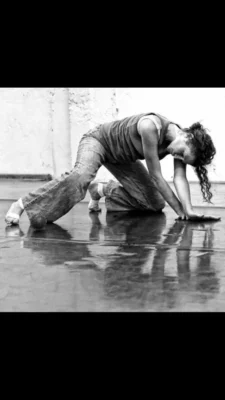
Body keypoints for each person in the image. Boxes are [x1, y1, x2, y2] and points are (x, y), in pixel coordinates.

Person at [5, 112, 221, 226]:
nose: (177, 157)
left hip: (122, 158)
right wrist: (180, 212)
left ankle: (102, 190)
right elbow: (156, 176)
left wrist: (189, 211)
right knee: (80, 177)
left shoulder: (179, 144)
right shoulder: (151, 127)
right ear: (188, 135)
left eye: (182, 158)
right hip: (99, 141)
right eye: (181, 153)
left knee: (154, 203)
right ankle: (24, 203)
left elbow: (180, 179)